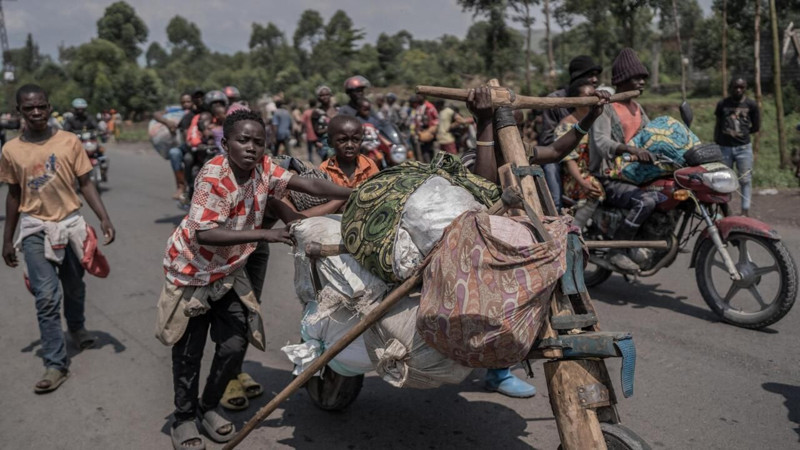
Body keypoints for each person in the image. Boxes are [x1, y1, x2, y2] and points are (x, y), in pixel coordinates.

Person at [157, 109, 352, 448]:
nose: (251, 147)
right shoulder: (212, 175)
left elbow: (305, 183)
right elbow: (204, 234)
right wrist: (263, 234)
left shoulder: (264, 169)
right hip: (193, 271)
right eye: (242, 140)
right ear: (225, 143)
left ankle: (208, 406)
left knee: (234, 343)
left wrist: (351, 193)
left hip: (230, 269)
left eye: (258, 142)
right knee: (189, 350)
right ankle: (184, 418)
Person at [465, 83, 610, 398]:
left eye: (515, 128)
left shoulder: (524, 150)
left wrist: (589, 119)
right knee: (500, 307)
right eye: (506, 127)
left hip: (526, 244)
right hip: (492, 248)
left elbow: (557, 151)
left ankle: (505, 363)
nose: (512, 135)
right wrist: (486, 122)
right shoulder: (477, 153)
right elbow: (483, 179)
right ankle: (497, 372)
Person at [0, 84, 116, 394]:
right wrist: (7, 239)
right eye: (29, 108)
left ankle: (76, 327)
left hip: (71, 225)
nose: (36, 112)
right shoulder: (11, 150)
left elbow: (86, 182)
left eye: (41, 106)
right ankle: (55, 363)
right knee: (47, 296)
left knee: (74, 285)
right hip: (35, 229)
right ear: (19, 112)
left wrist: (103, 217)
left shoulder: (69, 141)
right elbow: (13, 194)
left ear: (50, 107)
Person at [588, 47, 657, 273]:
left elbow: (653, 135)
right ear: (623, 80)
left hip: (635, 173)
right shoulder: (607, 108)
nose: (642, 82)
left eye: (643, 78)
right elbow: (600, 142)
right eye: (637, 78)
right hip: (608, 175)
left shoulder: (638, 108)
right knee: (645, 201)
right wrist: (630, 150)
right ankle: (617, 249)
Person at [539, 55, 603, 211]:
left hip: (583, 153)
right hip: (558, 151)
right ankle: (555, 209)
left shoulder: (596, 98)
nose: (594, 80)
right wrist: (568, 144)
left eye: (596, 76)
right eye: (590, 75)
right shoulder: (554, 100)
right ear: (577, 78)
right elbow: (548, 140)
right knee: (550, 165)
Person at [554, 78, 605, 228]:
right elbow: (569, 160)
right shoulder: (566, 126)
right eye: (587, 96)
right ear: (576, 100)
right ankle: (574, 231)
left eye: (593, 96)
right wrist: (583, 183)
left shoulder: (596, 121)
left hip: (594, 171)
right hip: (575, 177)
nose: (591, 100)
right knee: (595, 189)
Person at [714, 77, 760, 217]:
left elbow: (756, 126)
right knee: (723, 180)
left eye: (741, 87)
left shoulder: (751, 105)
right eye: (735, 87)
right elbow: (718, 124)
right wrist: (716, 141)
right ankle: (724, 211)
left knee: (745, 179)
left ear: (745, 88)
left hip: (743, 148)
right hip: (724, 148)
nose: (738, 90)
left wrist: (743, 134)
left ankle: (745, 211)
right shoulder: (723, 104)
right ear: (731, 88)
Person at [154, 92, 196, 200]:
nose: (186, 104)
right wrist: (167, 122)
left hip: (199, 143)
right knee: (174, 153)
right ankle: (181, 185)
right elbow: (156, 114)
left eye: (188, 101)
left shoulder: (198, 110)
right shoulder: (177, 111)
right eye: (183, 102)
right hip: (185, 145)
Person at [319, 115, 380, 189]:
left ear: (361, 141)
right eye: (342, 140)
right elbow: (325, 196)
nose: (350, 145)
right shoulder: (325, 169)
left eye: (355, 140)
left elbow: (377, 191)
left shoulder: (368, 165)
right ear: (330, 143)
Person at [411, 94, 439, 163]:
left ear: (424, 96)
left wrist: (430, 131)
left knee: (428, 151)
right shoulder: (418, 107)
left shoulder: (429, 107)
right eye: (417, 96)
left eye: (419, 96)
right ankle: (427, 165)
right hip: (420, 132)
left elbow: (436, 120)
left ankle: (430, 165)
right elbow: (416, 120)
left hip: (428, 132)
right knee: (422, 151)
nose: (418, 97)